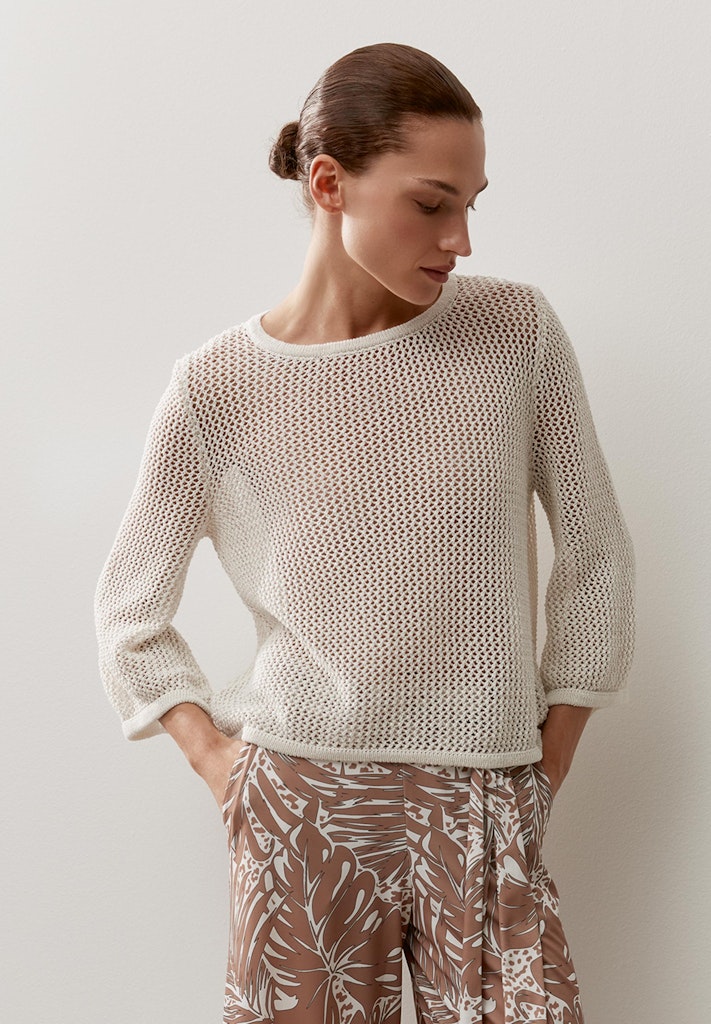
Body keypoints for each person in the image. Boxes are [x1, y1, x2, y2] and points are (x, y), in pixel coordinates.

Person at [94, 41, 635, 1024]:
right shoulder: (216, 388)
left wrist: (544, 762)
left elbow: (595, 555)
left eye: (472, 204)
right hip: (298, 801)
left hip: (485, 796)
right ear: (328, 183)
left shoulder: (514, 333)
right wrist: (222, 767)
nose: (460, 238)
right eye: (431, 203)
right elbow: (129, 611)